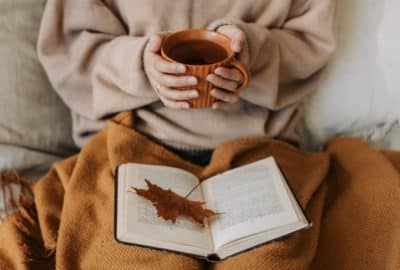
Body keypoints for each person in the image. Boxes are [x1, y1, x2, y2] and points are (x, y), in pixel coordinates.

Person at [38, 0, 336, 165]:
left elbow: (310, 43)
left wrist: (252, 54)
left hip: (259, 147)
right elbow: (70, 52)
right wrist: (141, 64)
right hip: (133, 140)